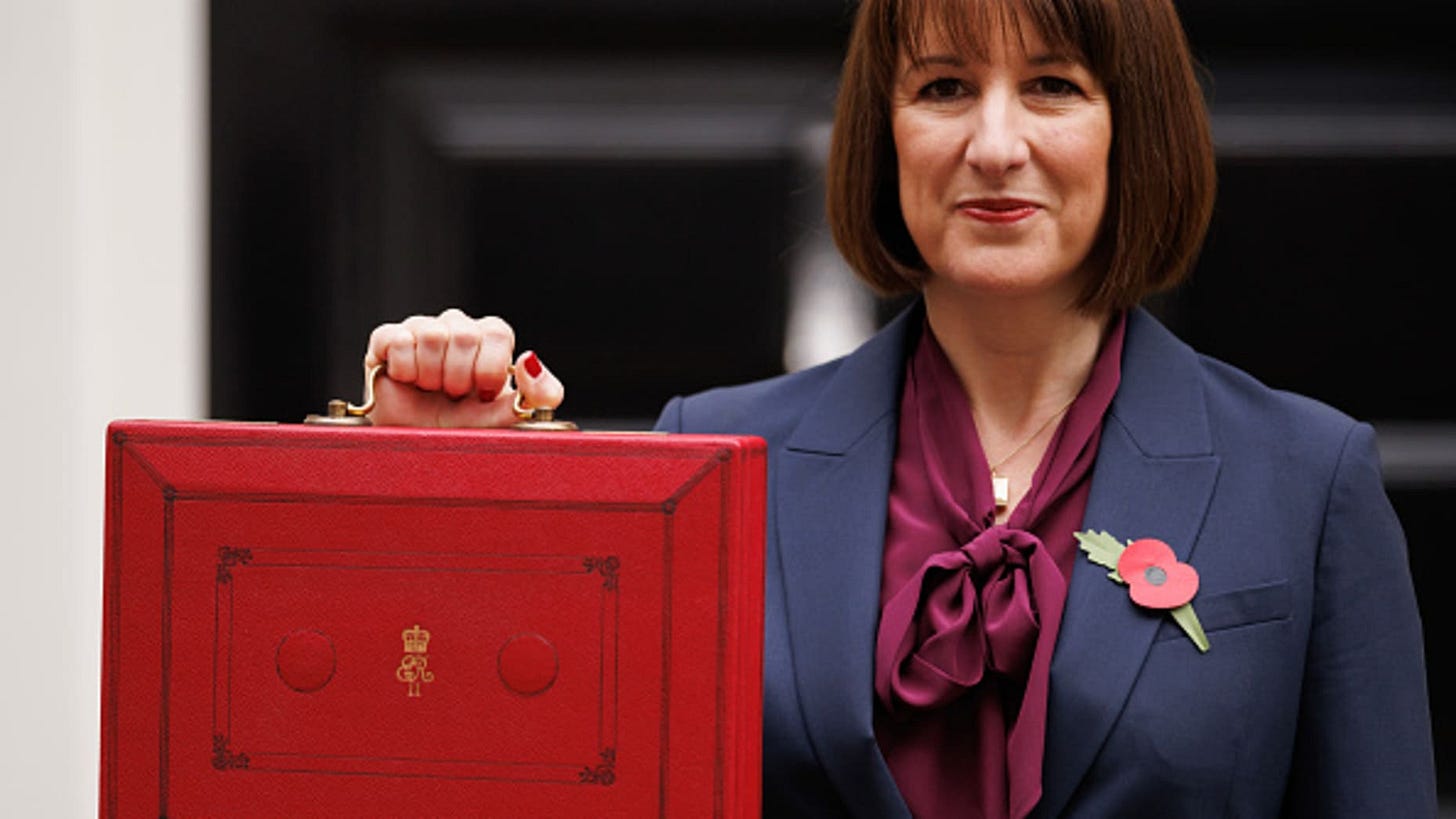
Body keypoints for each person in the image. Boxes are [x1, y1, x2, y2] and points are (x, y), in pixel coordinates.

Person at [362, 0, 1436, 815]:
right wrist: (450, 493)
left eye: (1054, 85)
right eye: (943, 88)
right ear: (883, 133)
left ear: (1132, 129)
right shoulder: (716, 457)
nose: (995, 144)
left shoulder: (1304, 477)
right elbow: (520, 767)